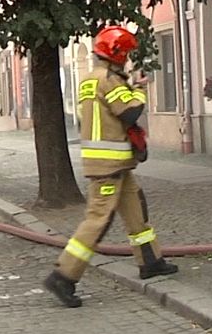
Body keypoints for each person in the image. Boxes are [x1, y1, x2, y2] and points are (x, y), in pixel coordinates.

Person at [44, 25, 178, 308]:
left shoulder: (91, 79)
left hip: (112, 163)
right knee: (97, 220)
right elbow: (129, 111)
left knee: (135, 213)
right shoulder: (109, 80)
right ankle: (64, 275)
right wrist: (140, 91)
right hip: (109, 164)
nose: (128, 59)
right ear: (115, 55)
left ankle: (150, 261)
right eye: (126, 54)